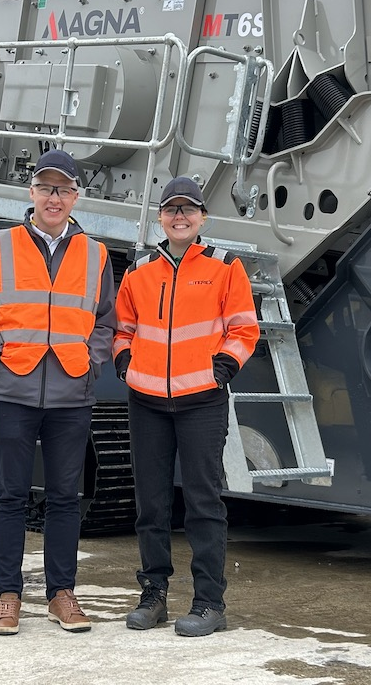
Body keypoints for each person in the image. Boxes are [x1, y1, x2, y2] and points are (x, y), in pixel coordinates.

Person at [0, 148, 116, 636]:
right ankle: (7, 597)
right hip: (12, 393)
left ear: (75, 197)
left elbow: (106, 321)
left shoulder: (96, 253)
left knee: (66, 497)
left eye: (64, 189)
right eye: (46, 187)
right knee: (9, 496)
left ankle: (61, 595)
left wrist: (90, 363)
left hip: (71, 394)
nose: (55, 197)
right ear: (32, 193)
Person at [112, 176, 259, 637]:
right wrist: (124, 364)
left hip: (202, 402)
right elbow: (123, 329)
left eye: (188, 210)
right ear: (161, 217)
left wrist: (224, 367)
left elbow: (243, 329)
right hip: (148, 402)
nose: (180, 217)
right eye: (172, 210)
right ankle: (153, 595)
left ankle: (209, 603)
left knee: (203, 503)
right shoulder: (139, 271)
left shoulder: (224, 266)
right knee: (151, 505)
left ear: (201, 218)